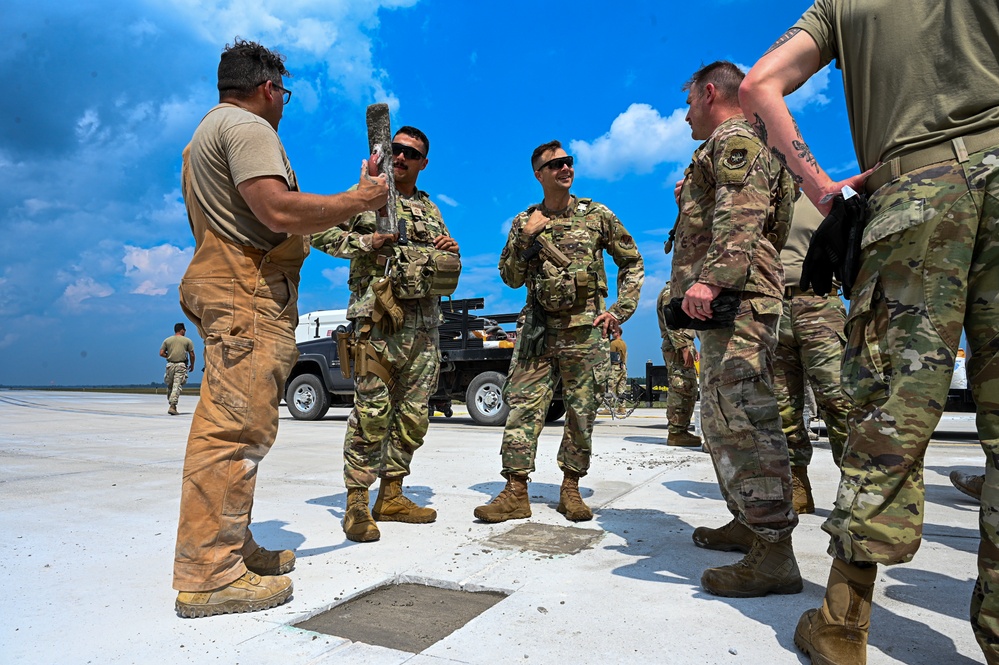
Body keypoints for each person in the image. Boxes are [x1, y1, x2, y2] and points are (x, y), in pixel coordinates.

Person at [741, 3, 999, 662]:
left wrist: (823, 188)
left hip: (914, 191)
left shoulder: (842, 3)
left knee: (887, 418)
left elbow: (758, 84)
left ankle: (842, 621)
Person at [172, 38, 388, 618]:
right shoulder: (247, 129)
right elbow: (277, 210)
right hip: (247, 291)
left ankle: (231, 548)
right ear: (268, 88)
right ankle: (210, 577)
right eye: (283, 94)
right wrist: (359, 197)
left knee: (241, 428)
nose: (284, 105)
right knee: (232, 434)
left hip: (232, 284)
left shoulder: (205, 135)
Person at [671, 61, 800, 598]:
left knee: (745, 416)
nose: (685, 117)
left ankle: (775, 551)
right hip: (733, 300)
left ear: (708, 93)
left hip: (737, 297)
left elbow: (745, 214)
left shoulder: (737, 139)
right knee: (724, 417)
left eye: (688, 104)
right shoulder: (726, 148)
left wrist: (715, 279)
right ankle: (750, 522)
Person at [474, 140, 644, 523]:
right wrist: (526, 237)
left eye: (568, 162)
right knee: (523, 407)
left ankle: (571, 488)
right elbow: (511, 277)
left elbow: (631, 262)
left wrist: (620, 310)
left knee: (581, 412)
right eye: (555, 165)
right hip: (537, 331)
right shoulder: (524, 221)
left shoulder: (597, 215)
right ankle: (516, 491)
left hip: (585, 331)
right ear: (539, 175)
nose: (565, 168)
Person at [311, 125, 459, 543]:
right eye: (395, 149)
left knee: (413, 417)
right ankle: (357, 501)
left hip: (424, 329)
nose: (400, 157)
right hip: (376, 325)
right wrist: (368, 242)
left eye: (410, 154)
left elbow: (437, 263)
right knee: (371, 414)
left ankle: (391, 495)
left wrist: (446, 250)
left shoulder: (430, 208)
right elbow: (318, 231)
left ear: (423, 163)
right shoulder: (367, 196)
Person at [773, 194, 851, 513]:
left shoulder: (824, 199)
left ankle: (857, 489)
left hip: (821, 303)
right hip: (772, 308)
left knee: (839, 399)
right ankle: (797, 487)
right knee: (782, 407)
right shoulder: (758, 204)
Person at [655, 284, 701, 447]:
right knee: (681, 386)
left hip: (683, 343)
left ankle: (680, 430)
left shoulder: (680, 290)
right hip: (677, 345)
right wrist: (683, 346)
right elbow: (671, 320)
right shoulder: (672, 291)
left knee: (689, 386)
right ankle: (676, 432)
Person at [160, 322, 195, 416]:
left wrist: (170, 356)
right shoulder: (187, 341)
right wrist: (192, 365)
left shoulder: (167, 340)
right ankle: (173, 405)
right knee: (176, 385)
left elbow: (161, 353)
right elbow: (192, 354)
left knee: (170, 386)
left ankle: (171, 403)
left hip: (170, 365)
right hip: (180, 365)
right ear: (182, 330)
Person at [609, 329, 629, 408]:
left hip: (615, 366)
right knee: (621, 389)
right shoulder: (623, 343)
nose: (611, 334)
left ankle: (608, 407)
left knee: (610, 387)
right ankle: (622, 407)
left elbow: (611, 356)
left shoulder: (613, 343)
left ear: (618, 333)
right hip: (623, 366)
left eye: (613, 332)